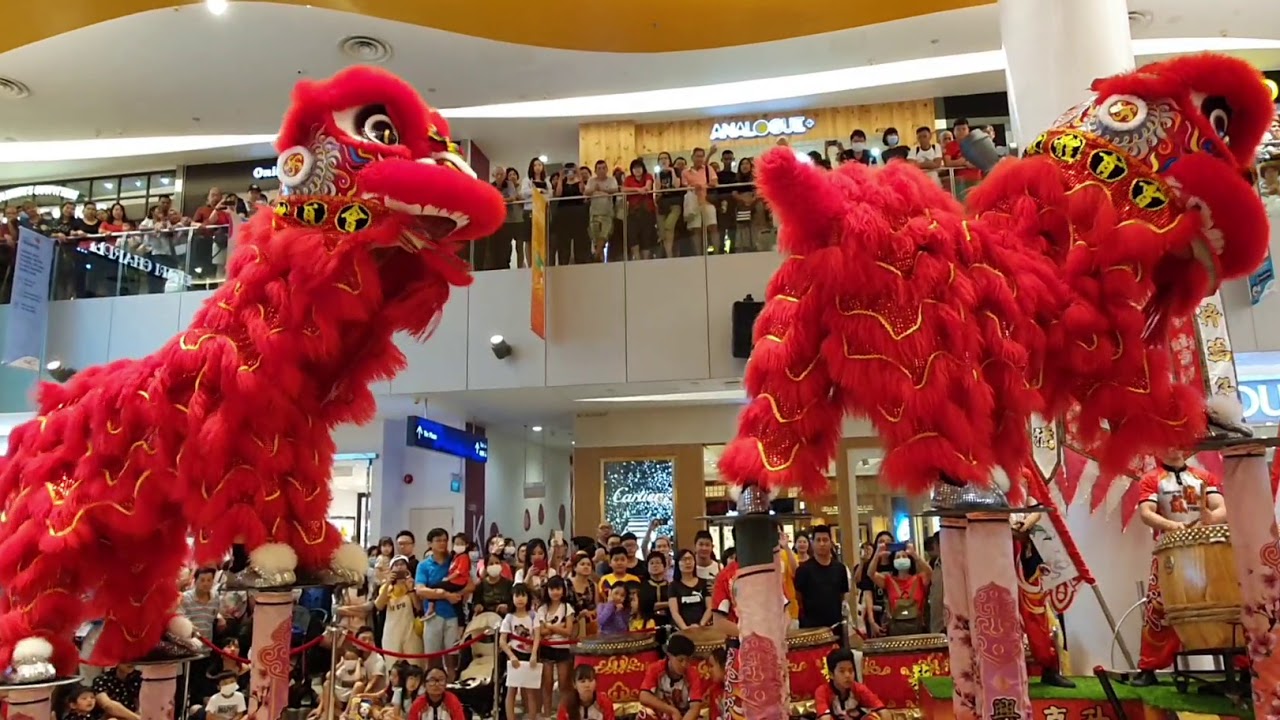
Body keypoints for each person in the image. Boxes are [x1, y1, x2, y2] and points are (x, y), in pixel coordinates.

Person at [1132, 449, 1226, 687]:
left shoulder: (1204, 476)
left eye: (1177, 442)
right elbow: (1146, 512)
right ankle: (1148, 667)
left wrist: (1212, 517)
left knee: (1222, 606)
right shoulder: (1151, 479)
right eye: (1167, 443)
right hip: (1170, 551)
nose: (1173, 448)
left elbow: (1221, 508)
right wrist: (1171, 525)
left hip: (1207, 549)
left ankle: (1240, 666)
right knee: (1159, 608)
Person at [1009, 504, 1075, 688]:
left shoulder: (1027, 482)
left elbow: (1037, 505)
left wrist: (1027, 523)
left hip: (1023, 548)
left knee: (1035, 611)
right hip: (992, 544)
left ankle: (1049, 668)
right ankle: (1003, 673)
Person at [794, 525, 849, 630]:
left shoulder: (840, 568)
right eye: (818, 540)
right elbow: (799, 598)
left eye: (825, 540)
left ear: (831, 543)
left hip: (835, 626)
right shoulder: (803, 569)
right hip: (811, 627)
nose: (822, 544)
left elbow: (842, 595)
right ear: (812, 543)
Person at [870, 543, 931, 636]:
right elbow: (870, 573)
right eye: (897, 557)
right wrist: (877, 554)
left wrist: (915, 554)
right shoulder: (888, 580)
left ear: (909, 559)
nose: (901, 559)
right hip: (895, 630)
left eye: (904, 556)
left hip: (918, 629)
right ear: (893, 562)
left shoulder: (919, 579)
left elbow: (929, 572)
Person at [500, 583, 541, 720]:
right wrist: (511, 656)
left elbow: (537, 636)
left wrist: (534, 654)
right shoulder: (509, 617)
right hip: (515, 654)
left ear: (528, 598)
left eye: (523, 595)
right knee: (511, 690)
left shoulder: (533, 615)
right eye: (517, 595)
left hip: (529, 655)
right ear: (512, 598)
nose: (520, 599)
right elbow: (502, 641)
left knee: (530, 692)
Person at [638, 634, 702, 720]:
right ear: (669, 656)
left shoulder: (692, 674)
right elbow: (644, 696)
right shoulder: (655, 669)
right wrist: (672, 711)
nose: (684, 665)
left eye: (688, 660)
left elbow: (695, 707)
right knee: (644, 714)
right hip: (662, 713)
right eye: (680, 660)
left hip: (683, 717)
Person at [537, 576, 576, 714]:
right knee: (547, 683)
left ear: (563, 590)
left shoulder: (567, 608)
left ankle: (563, 714)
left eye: (558, 589)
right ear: (547, 590)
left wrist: (550, 627)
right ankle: (547, 713)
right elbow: (541, 631)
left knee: (564, 684)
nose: (555, 592)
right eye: (552, 589)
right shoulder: (542, 609)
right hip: (546, 648)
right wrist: (559, 627)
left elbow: (568, 631)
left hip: (563, 648)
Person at [814, 648, 885, 720]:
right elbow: (825, 718)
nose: (848, 675)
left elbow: (882, 710)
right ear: (831, 674)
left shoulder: (859, 688)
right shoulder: (822, 692)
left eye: (851, 670)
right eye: (842, 671)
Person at [376, 555, 423, 657]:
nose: (399, 567)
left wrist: (411, 589)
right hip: (391, 633)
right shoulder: (386, 587)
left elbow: (418, 607)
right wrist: (388, 583)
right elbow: (379, 605)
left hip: (411, 632)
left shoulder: (414, 584)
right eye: (396, 565)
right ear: (391, 569)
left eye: (402, 564)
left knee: (414, 662)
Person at [668, 550, 711, 631]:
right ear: (677, 563)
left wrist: (701, 625)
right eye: (684, 559)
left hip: (703, 628)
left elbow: (709, 607)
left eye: (690, 559)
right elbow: (674, 612)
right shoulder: (673, 586)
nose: (688, 562)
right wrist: (686, 629)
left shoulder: (704, 583)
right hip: (681, 630)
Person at [637, 551, 671, 627]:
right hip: (648, 622)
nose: (655, 566)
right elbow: (645, 606)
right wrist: (669, 604)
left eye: (658, 563)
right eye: (651, 563)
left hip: (669, 622)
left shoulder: (670, 586)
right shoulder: (643, 586)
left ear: (664, 566)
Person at [701, 646, 727, 720]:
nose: (709, 670)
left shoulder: (739, 689)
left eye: (712, 666)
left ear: (724, 665)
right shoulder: (714, 690)